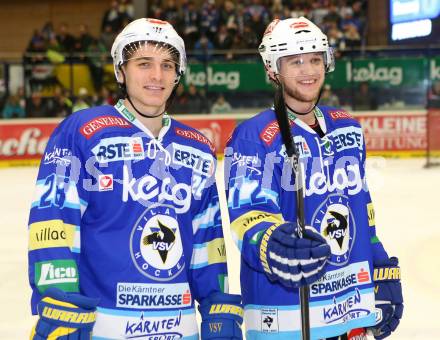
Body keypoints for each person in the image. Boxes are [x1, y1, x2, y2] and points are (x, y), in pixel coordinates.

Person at [28, 18, 243, 339]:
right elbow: (54, 221)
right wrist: (60, 300)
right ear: (120, 71)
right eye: (144, 64)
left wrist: (217, 306)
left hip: (179, 326)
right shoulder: (83, 132)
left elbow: (207, 239)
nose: (157, 76)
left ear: (178, 74)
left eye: (168, 65)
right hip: (101, 327)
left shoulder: (198, 148)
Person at [224, 17, 403, 339]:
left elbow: (361, 208)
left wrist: (380, 265)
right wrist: (271, 241)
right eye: (295, 61)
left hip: (350, 306)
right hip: (286, 313)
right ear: (272, 70)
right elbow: (247, 216)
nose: (308, 70)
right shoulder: (252, 136)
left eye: (315, 59)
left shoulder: (347, 126)